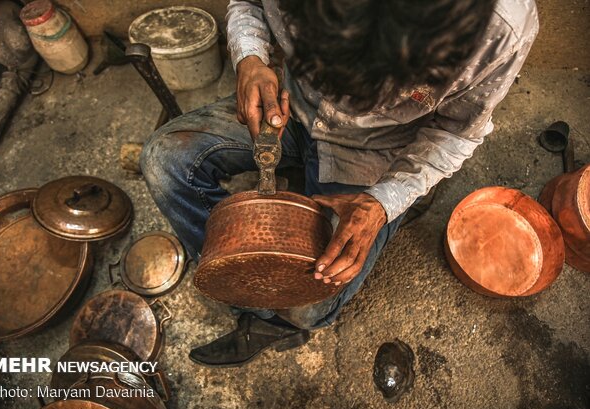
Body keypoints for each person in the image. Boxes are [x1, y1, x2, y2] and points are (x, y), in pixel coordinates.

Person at [140, 0, 538, 368]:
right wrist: (251, 57)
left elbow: (457, 132)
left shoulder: (500, 29)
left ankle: (277, 323)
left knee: (310, 302)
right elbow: (249, 3)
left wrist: (385, 200)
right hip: (290, 107)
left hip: (377, 148)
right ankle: (243, 287)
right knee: (165, 160)